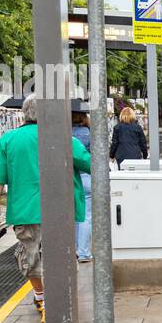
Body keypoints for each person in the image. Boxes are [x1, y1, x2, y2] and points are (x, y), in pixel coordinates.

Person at [0, 96, 92, 323]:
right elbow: (91, 164)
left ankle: (42, 299)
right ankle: (55, 301)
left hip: (25, 210)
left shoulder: (9, 140)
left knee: (31, 256)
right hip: (61, 209)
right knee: (59, 255)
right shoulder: (63, 138)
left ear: (25, 113)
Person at [71, 110, 93, 262]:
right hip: (86, 176)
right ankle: (83, 252)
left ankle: (75, 249)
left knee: (74, 216)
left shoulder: (63, 134)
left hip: (69, 177)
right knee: (86, 216)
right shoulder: (88, 133)